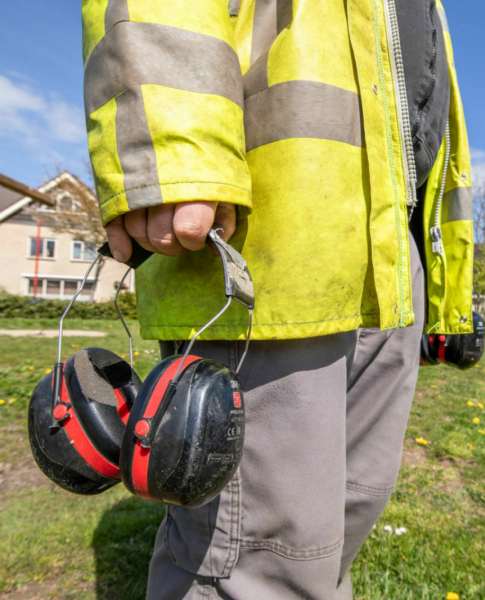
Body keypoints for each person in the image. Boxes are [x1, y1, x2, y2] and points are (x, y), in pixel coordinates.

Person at [81, 0, 473, 597]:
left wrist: (446, 288)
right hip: (265, 240)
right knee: (257, 555)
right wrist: (172, 150)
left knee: (343, 518)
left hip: (391, 255)